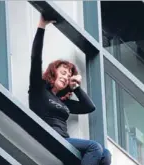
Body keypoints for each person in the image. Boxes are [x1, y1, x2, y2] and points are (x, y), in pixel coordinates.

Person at [28, 15, 111, 165]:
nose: (66, 77)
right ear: (53, 72)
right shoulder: (38, 89)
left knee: (105, 154)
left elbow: (89, 107)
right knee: (94, 147)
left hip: (64, 141)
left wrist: (76, 87)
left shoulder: (63, 101)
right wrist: (41, 26)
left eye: (69, 76)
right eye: (63, 72)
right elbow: (35, 58)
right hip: (47, 137)